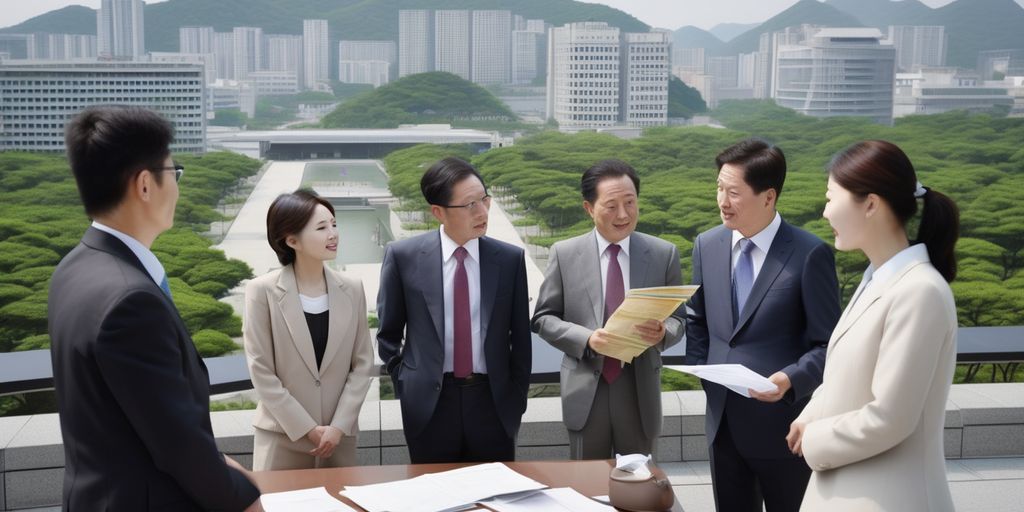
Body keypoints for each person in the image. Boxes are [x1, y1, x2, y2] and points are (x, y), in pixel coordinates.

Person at [48, 105, 261, 511]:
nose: (177, 187)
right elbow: (176, 443)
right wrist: (242, 498)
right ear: (145, 185)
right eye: (173, 173)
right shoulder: (131, 300)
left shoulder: (74, 267)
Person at [786, 140, 959, 511]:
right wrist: (811, 413)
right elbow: (849, 377)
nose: (824, 212)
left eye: (831, 198)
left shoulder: (920, 291)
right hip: (855, 486)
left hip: (888, 495)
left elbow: (891, 417)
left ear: (870, 204)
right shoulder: (878, 279)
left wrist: (815, 438)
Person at [685, 138, 841, 511]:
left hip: (784, 428)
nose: (722, 201)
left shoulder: (809, 254)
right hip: (722, 425)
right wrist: (708, 376)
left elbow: (830, 346)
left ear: (768, 197)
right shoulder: (707, 245)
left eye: (734, 192)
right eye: (720, 188)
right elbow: (698, 321)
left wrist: (790, 379)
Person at [376, 157, 531, 463]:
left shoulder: (509, 259)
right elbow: (388, 334)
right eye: (469, 205)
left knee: (494, 496)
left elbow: (521, 339)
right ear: (439, 212)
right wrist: (407, 383)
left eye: (484, 200)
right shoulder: (404, 256)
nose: (482, 212)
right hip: (430, 404)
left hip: (493, 402)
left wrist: (516, 397)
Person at [532, 159, 684, 460]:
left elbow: (679, 319)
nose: (623, 214)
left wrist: (664, 332)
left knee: (640, 488)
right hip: (587, 384)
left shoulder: (663, 254)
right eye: (611, 206)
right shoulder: (565, 253)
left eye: (630, 202)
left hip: (639, 387)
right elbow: (543, 318)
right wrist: (586, 338)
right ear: (589, 208)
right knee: (587, 487)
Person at [243, 190, 374, 470]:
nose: (333, 234)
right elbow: (261, 370)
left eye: (334, 224)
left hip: (338, 440)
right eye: (322, 227)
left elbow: (362, 364)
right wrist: (307, 428)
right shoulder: (261, 291)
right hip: (282, 438)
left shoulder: (352, 289)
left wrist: (338, 426)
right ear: (292, 240)